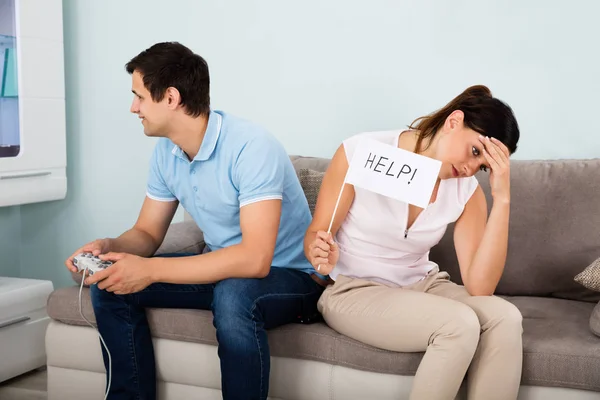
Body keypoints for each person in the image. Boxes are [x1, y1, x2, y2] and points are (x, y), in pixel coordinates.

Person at [65, 42, 327, 400]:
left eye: (139, 96)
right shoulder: (166, 152)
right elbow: (146, 233)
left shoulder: (252, 147)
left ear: (170, 98)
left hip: (291, 277)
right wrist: (111, 248)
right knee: (111, 284)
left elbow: (255, 259)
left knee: (234, 294)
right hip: (224, 273)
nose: (133, 107)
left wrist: (151, 271)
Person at [304, 85, 523, 400]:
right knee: (458, 323)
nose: (472, 168)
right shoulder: (362, 151)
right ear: (453, 121)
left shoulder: (467, 190)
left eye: (484, 166)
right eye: (475, 151)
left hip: (422, 285)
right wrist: (318, 250)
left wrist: (502, 199)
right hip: (354, 288)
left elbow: (480, 287)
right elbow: (315, 235)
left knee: (506, 316)